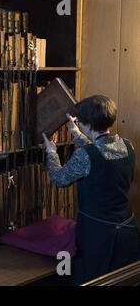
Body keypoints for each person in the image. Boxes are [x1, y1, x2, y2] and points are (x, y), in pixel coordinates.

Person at [42, 95, 140, 285]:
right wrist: (76, 133)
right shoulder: (128, 146)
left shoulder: (86, 155)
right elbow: (100, 153)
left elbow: (60, 179)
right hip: (128, 231)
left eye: (79, 121)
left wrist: (51, 152)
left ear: (87, 125)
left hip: (98, 235)